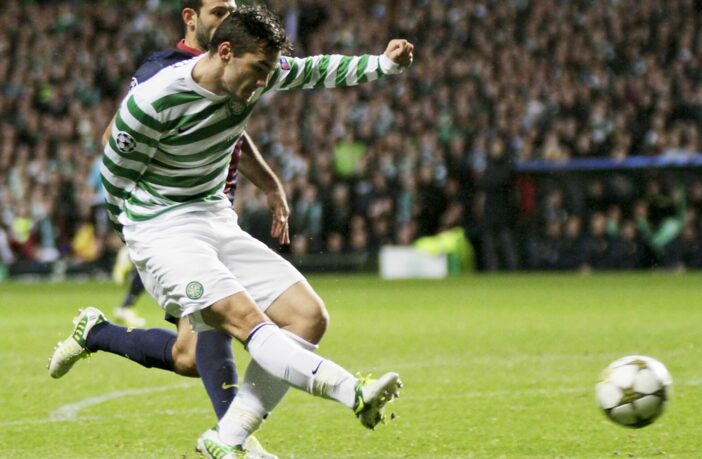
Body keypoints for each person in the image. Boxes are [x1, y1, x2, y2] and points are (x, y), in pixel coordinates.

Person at [59, 5, 413, 458]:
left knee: (307, 316)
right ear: (224, 52)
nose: (264, 82)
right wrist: (140, 241)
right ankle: (353, 391)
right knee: (245, 321)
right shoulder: (155, 98)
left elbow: (315, 70)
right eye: (258, 70)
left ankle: (226, 438)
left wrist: (383, 64)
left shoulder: (254, 71)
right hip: (161, 227)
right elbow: (115, 176)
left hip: (213, 214)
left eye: (269, 71)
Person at [50, 1, 287, 457]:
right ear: (190, 18)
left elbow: (235, 133)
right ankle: (235, 440)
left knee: (188, 355)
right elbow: (113, 137)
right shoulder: (165, 71)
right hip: (178, 222)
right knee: (223, 322)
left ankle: (96, 332)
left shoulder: (236, 68)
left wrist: (271, 186)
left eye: (232, 10)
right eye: (217, 11)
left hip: (214, 215)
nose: (227, 19)